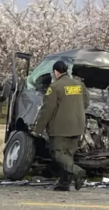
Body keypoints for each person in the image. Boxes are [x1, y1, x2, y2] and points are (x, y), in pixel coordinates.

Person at [31, 60, 90, 191]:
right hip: (77, 125)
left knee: (58, 154)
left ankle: (78, 171)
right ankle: (64, 183)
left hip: (60, 127)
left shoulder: (55, 87)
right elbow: (86, 103)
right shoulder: (79, 85)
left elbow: (47, 110)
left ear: (56, 72)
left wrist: (38, 130)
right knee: (68, 155)